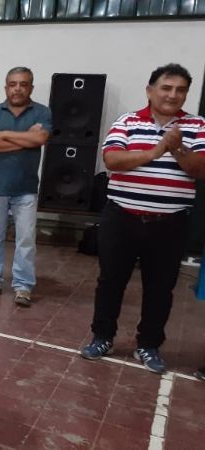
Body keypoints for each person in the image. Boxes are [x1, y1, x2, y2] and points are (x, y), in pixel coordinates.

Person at [79, 63, 205, 374]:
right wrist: (156, 150)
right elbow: (112, 160)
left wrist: (177, 150)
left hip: (170, 222)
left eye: (180, 90)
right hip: (122, 217)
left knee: (160, 287)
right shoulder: (127, 122)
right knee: (110, 282)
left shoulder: (198, 126)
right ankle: (103, 337)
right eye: (166, 88)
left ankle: (148, 345)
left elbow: (200, 170)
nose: (172, 95)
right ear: (150, 91)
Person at [0, 67, 52, 307]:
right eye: (13, 84)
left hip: (26, 188)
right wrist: (25, 140)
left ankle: (22, 285)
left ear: (31, 87)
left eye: (23, 84)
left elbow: (40, 139)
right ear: (6, 87)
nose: (17, 88)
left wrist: (6, 134)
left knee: (26, 239)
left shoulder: (42, 112)